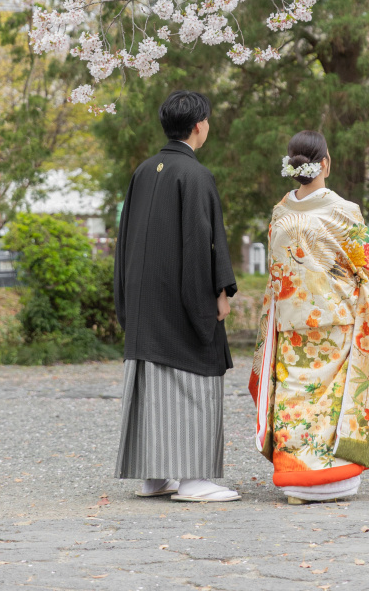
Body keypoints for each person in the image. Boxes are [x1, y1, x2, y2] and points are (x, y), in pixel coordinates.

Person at [250, 130, 369, 504]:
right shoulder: (343, 212)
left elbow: (276, 269)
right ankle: (326, 478)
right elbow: (368, 268)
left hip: (290, 321)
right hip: (336, 319)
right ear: (325, 163)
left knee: (294, 395)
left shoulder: (280, 212)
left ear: (292, 166)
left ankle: (293, 477)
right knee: (330, 398)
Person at [114, 89, 240, 503]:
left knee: (152, 381)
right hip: (180, 294)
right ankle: (192, 479)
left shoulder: (144, 170)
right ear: (199, 126)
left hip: (144, 297)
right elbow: (204, 240)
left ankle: (154, 476)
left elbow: (125, 239)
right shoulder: (195, 174)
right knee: (195, 375)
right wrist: (219, 293)